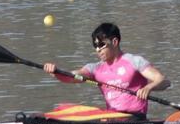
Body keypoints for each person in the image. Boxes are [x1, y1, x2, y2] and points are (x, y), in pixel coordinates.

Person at [43, 23, 171, 116]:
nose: (98, 49)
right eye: (95, 46)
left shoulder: (133, 61)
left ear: (114, 42)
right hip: (111, 117)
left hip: (135, 117)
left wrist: (148, 88)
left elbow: (162, 80)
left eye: (101, 44)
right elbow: (72, 77)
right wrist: (55, 72)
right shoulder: (95, 69)